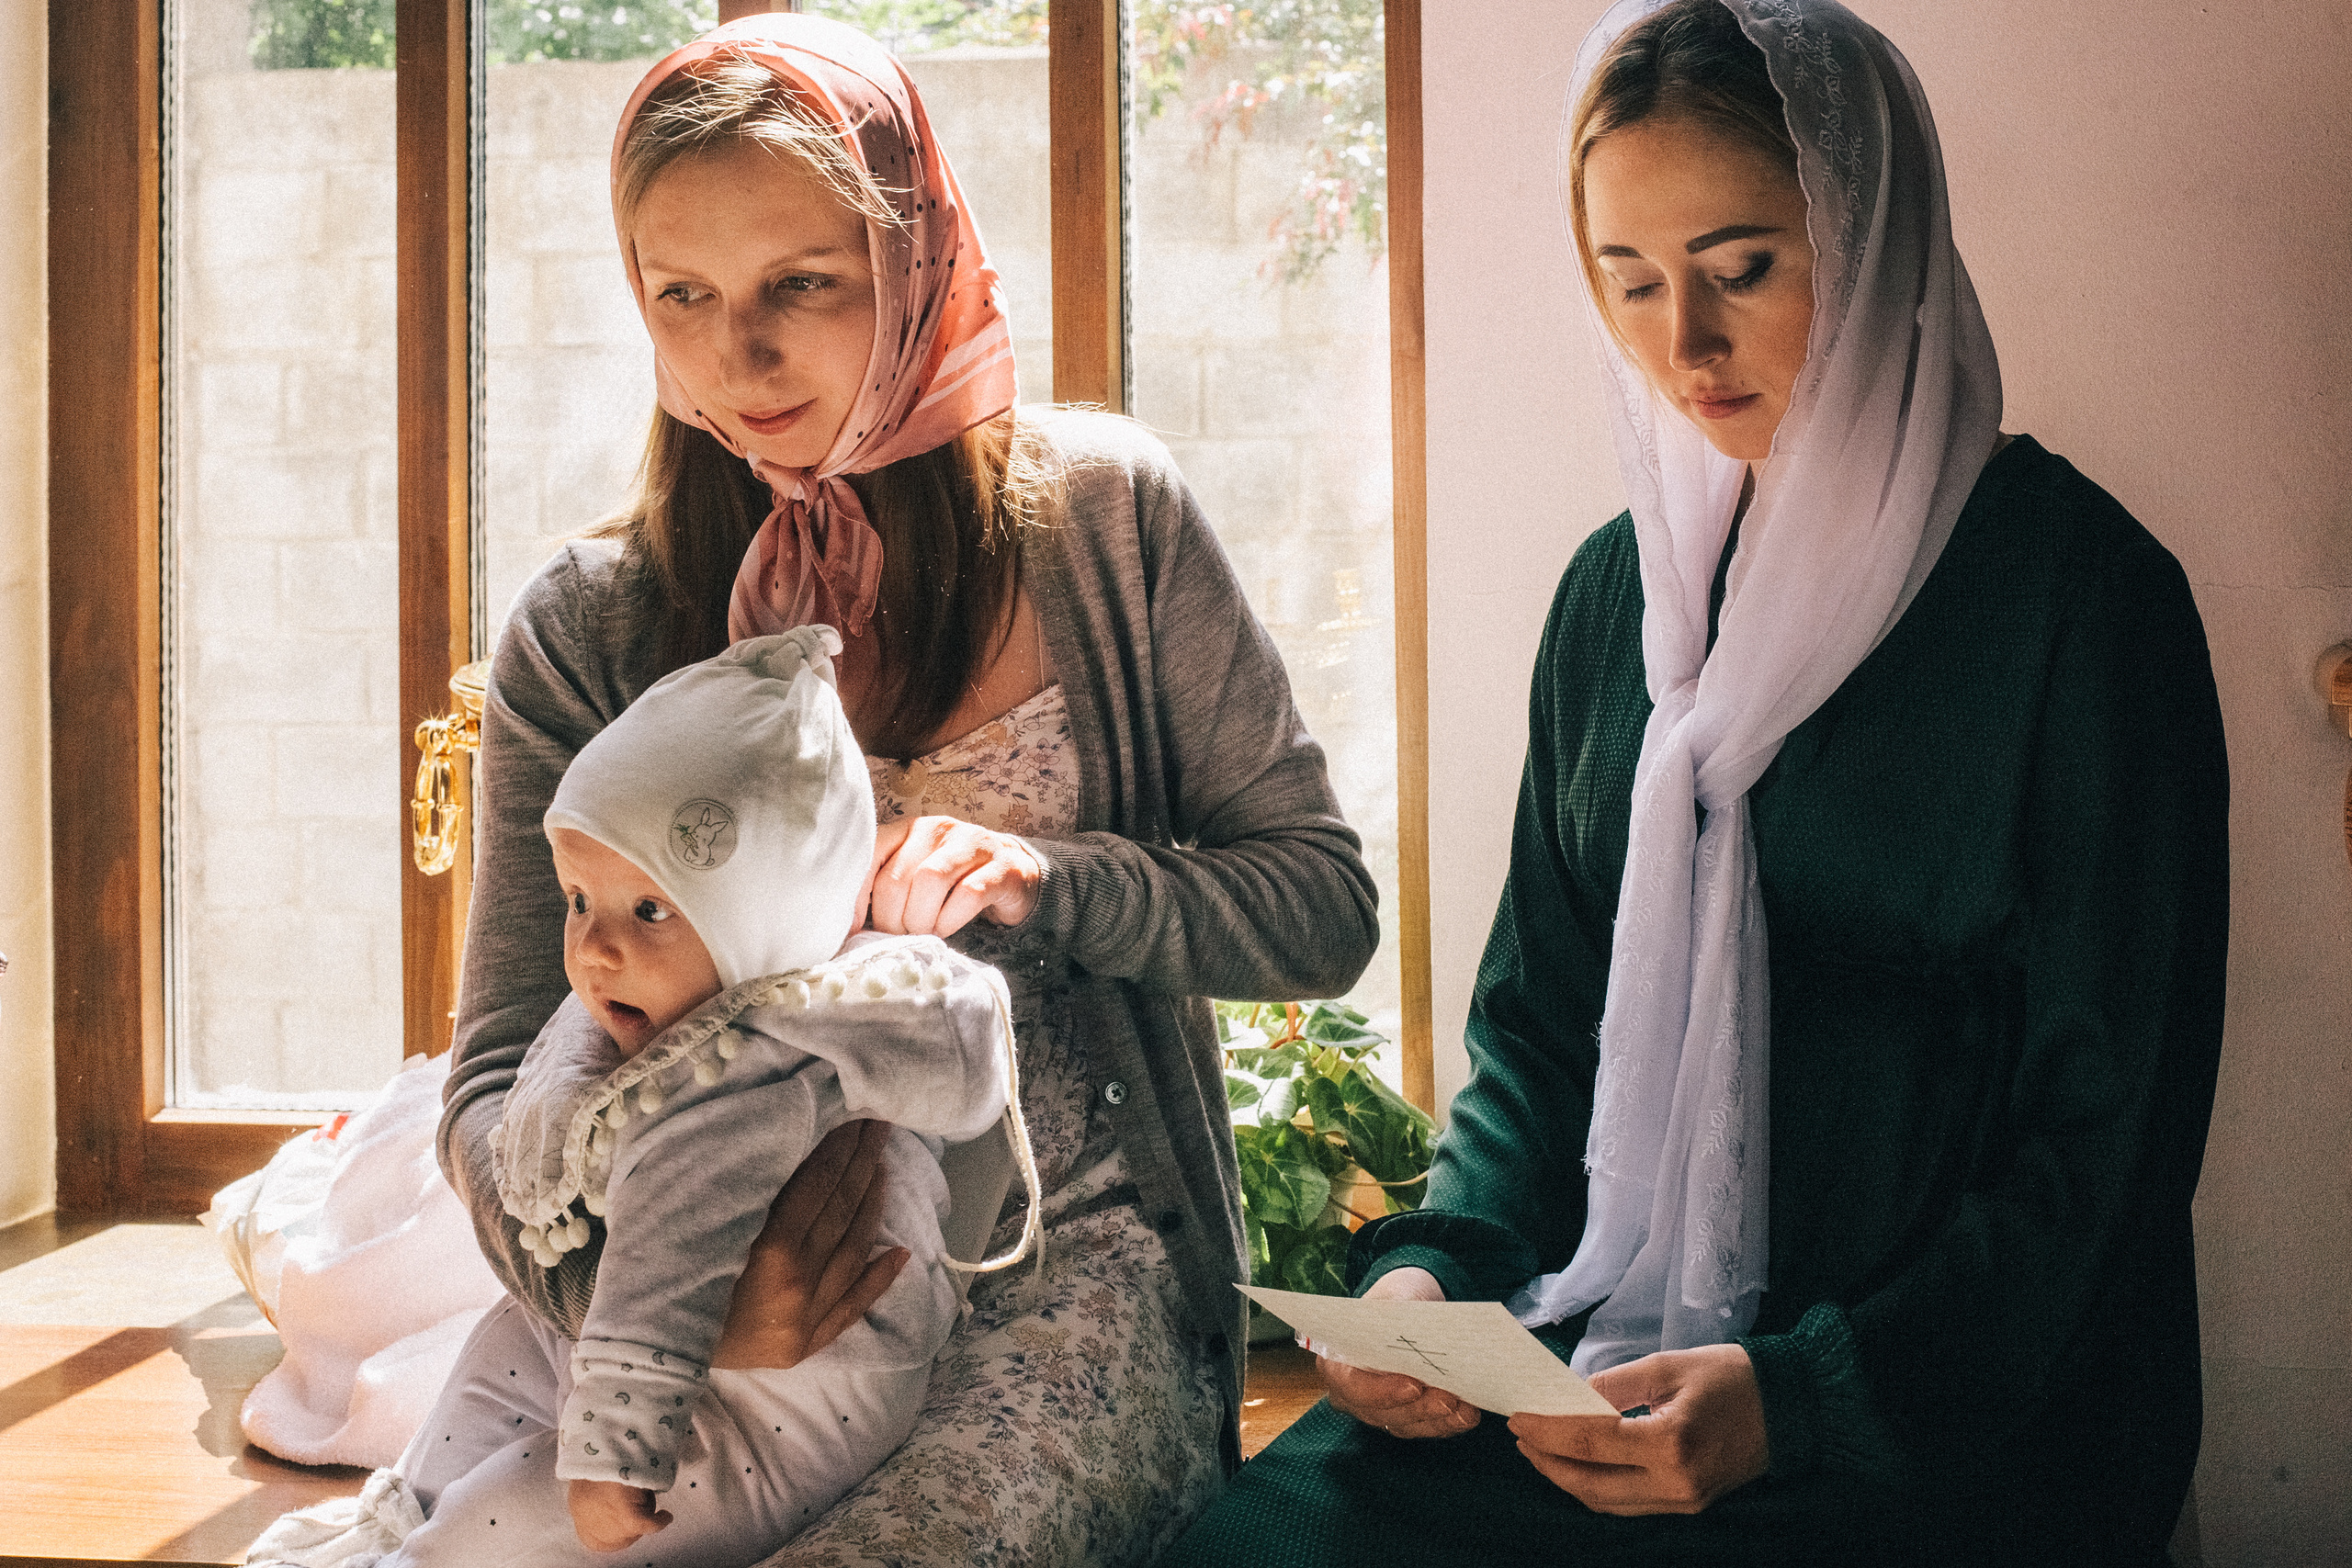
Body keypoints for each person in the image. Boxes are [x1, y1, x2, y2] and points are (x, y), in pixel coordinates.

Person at [1165, 2, 2226, 1564]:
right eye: (1630, 280)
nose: (1686, 348)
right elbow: (1540, 1021)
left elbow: (2107, 1147)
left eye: (1743, 269)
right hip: (1615, 1355)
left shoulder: (2084, 605)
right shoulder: (1623, 597)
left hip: (1945, 1394)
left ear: (1879, 246)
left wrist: (1798, 1399)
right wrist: (1432, 1281)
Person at [434, 13, 1377, 1566]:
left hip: (1069, 1287)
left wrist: (1058, 882)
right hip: (708, 1330)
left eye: (800, 285)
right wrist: (648, 1322)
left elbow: (1322, 909)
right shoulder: (590, 622)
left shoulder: (1106, 525)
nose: (738, 358)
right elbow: (486, 1089)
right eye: (684, 296)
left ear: (918, 254)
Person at [249, 626, 1040, 1566]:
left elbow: (669, 1251)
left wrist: (611, 1457)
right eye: (579, 901)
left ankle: (430, 1546)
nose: (595, 950)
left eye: (649, 911)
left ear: (764, 918)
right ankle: (404, 1512)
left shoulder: (747, 1072)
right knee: (504, 1351)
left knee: (495, 1529)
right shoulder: (702, 1000)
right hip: (659, 1336)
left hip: (777, 1414)